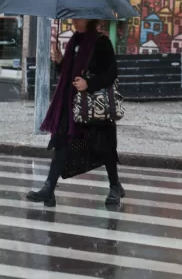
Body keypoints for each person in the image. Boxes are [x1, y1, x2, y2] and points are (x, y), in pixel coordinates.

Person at [26, 20, 123, 207]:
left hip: (94, 107)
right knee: (61, 142)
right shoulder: (74, 41)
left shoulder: (102, 42)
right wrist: (60, 62)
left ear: (90, 19)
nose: (74, 20)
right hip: (70, 104)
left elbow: (111, 73)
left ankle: (114, 186)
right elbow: (67, 74)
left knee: (105, 148)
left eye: (79, 17)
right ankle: (49, 189)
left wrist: (89, 84)